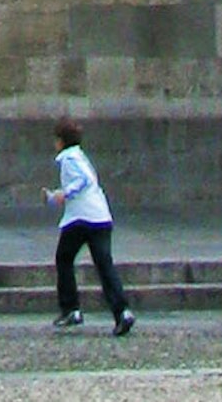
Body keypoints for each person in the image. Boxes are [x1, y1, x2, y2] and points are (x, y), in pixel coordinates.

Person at [52, 124, 133, 334]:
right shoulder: (80, 156)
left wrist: (64, 193)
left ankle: (71, 308)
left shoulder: (69, 158)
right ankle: (122, 311)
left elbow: (82, 181)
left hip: (80, 218)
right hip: (100, 216)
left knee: (64, 257)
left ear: (61, 140)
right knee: (104, 265)